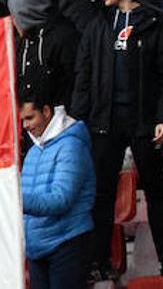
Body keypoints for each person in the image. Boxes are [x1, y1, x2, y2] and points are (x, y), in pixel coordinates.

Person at [72, 0, 163, 283]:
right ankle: (99, 260)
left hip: (144, 120)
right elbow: (83, 72)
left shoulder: (154, 22)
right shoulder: (99, 22)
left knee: (155, 189)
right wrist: (78, 119)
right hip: (104, 121)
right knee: (102, 193)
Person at [19, 92, 96, 289]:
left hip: (67, 245)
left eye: (30, 118)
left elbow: (61, 198)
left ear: (46, 111)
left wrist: (16, 200)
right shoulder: (34, 151)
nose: (26, 126)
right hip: (37, 250)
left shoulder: (71, 145)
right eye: (23, 120)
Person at [10, 0, 80, 109]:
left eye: (16, 16)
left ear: (27, 15)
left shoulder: (63, 37)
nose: (13, 22)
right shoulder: (20, 42)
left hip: (60, 118)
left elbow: (75, 80)